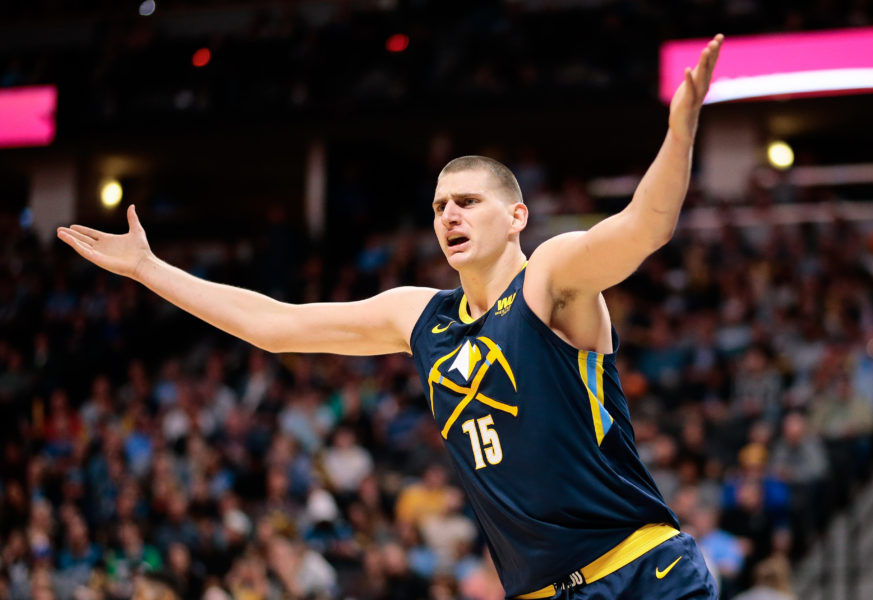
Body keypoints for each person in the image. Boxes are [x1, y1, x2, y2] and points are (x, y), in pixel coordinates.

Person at [58, 34, 724, 600]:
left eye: (466, 201)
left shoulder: (548, 277)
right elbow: (273, 325)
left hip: (642, 572)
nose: (449, 217)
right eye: (439, 207)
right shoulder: (419, 316)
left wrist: (679, 133)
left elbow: (643, 228)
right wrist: (149, 270)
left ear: (516, 215)